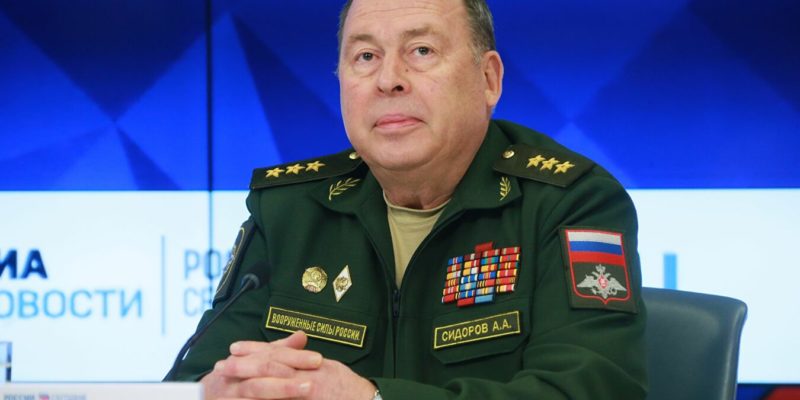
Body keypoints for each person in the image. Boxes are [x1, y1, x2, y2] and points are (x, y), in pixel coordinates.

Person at [165, 0, 648, 398]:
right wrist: (214, 391)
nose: (388, 79)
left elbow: (590, 390)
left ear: (489, 80)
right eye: (365, 57)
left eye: (421, 50)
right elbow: (194, 377)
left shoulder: (570, 202)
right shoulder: (289, 208)